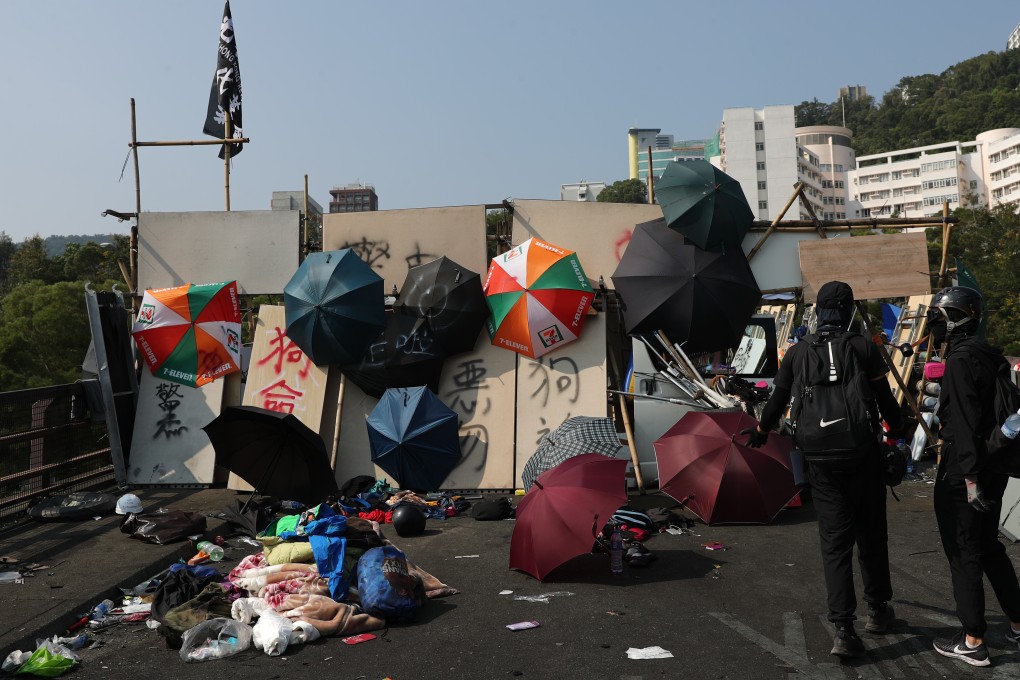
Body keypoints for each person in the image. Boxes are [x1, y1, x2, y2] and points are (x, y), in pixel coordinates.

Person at [745, 280, 905, 658]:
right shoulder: (864, 348)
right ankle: (878, 610)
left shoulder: (798, 353)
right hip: (862, 455)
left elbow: (778, 400)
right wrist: (897, 432)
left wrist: (762, 430)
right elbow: (886, 403)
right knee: (871, 534)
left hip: (819, 460)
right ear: (849, 310)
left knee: (834, 543)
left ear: (818, 311)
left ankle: (844, 630)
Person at [927, 285, 1020, 668]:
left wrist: (968, 479)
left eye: (938, 315)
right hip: (992, 466)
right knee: (988, 546)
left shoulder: (961, 360)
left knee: (964, 552)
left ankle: (973, 640)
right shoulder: (987, 354)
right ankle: (1017, 621)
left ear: (954, 318)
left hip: (968, 470)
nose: (933, 322)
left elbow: (963, 425)